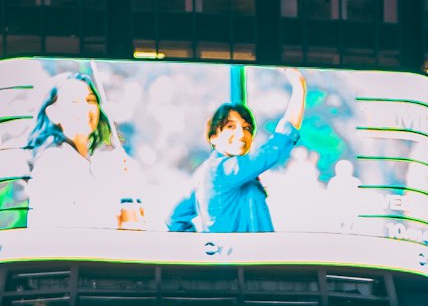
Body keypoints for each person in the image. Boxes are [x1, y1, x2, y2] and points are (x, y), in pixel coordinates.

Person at [167, 68, 306, 234]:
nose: (241, 134)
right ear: (213, 137)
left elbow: (175, 219)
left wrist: (206, 248)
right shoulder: (223, 169)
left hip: (229, 258)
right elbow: (275, 147)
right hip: (249, 257)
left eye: (247, 128)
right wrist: (299, 87)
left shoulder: (204, 173)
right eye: (230, 126)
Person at [25, 71, 145, 231]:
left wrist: (124, 188)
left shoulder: (95, 165)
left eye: (90, 100)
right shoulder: (53, 163)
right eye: (74, 102)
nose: (85, 108)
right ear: (53, 114)